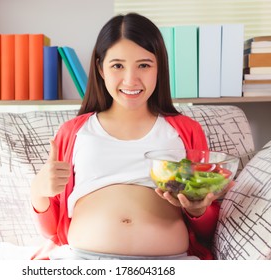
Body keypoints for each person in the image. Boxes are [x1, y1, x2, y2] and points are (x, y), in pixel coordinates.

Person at [30, 12, 222, 260]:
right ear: (100, 68)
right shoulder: (74, 132)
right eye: (117, 65)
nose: (131, 79)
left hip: (170, 264)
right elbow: (52, 232)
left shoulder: (186, 131)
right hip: (85, 262)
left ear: (159, 68)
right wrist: (38, 192)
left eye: (144, 65)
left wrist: (199, 210)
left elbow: (206, 231)